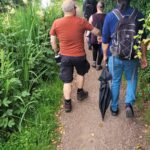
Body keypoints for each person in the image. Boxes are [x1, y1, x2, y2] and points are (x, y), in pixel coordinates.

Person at [50, 0, 100, 112]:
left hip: (65, 57)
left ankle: (67, 104)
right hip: (79, 56)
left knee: (67, 80)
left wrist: (56, 52)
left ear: (63, 10)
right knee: (80, 73)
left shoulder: (56, 23)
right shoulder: (81, 21)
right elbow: (95, 31)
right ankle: (80, 93)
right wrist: (102, 34)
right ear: (74, 9)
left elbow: (52, 40)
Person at [102, 0, 148, 117]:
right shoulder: (139, 15)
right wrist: (143, 58)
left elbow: (105, 41)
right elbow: (143, 41)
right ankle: (128, 104)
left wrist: (105, 56)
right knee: (131, 79)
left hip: (115, 56)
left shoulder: (110, 16)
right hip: (132, 57)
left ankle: (114, 108)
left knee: (115, 81)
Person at [87, 1, 106, 70]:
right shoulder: (106, 16)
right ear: (103, 8)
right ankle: (98, 65)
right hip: (103, 36)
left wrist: (87, 36)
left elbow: (89, 27)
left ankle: (94, 62)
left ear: (96, 7)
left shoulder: (92, 16)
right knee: (101, 50)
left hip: (94, 36)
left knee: (94, 48)